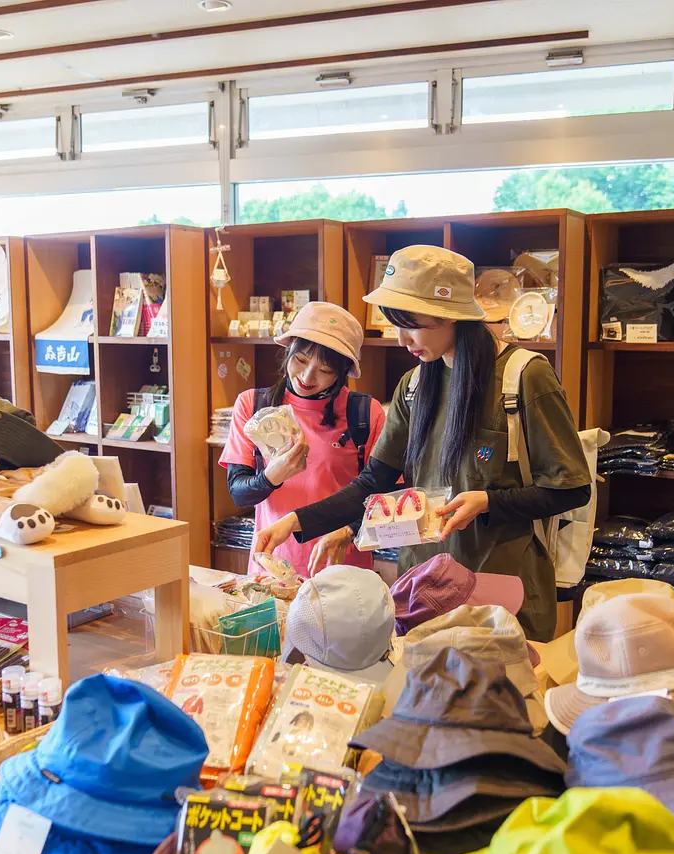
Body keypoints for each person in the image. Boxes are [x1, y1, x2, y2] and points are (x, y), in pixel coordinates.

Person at [254, 246, 591, 641]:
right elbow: (373, 482)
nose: (402, 339)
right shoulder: (414, 385)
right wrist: (295, 522)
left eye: (411, 324)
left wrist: (489, 502)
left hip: (499, 591)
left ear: (453, 316)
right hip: (421, 591)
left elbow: (571, 487)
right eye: (396, 324)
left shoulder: (524, 377)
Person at [220, 302, 385, 579]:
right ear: (288, 350)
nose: (308, 377)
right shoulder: (252, 405)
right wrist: (271, 477)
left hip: (343, 573)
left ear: (342, 372)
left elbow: (385, 497)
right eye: (301, 360)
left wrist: (349, 530)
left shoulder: (366, 413)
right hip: (272, 568)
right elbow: (239, 493)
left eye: (325, 370)